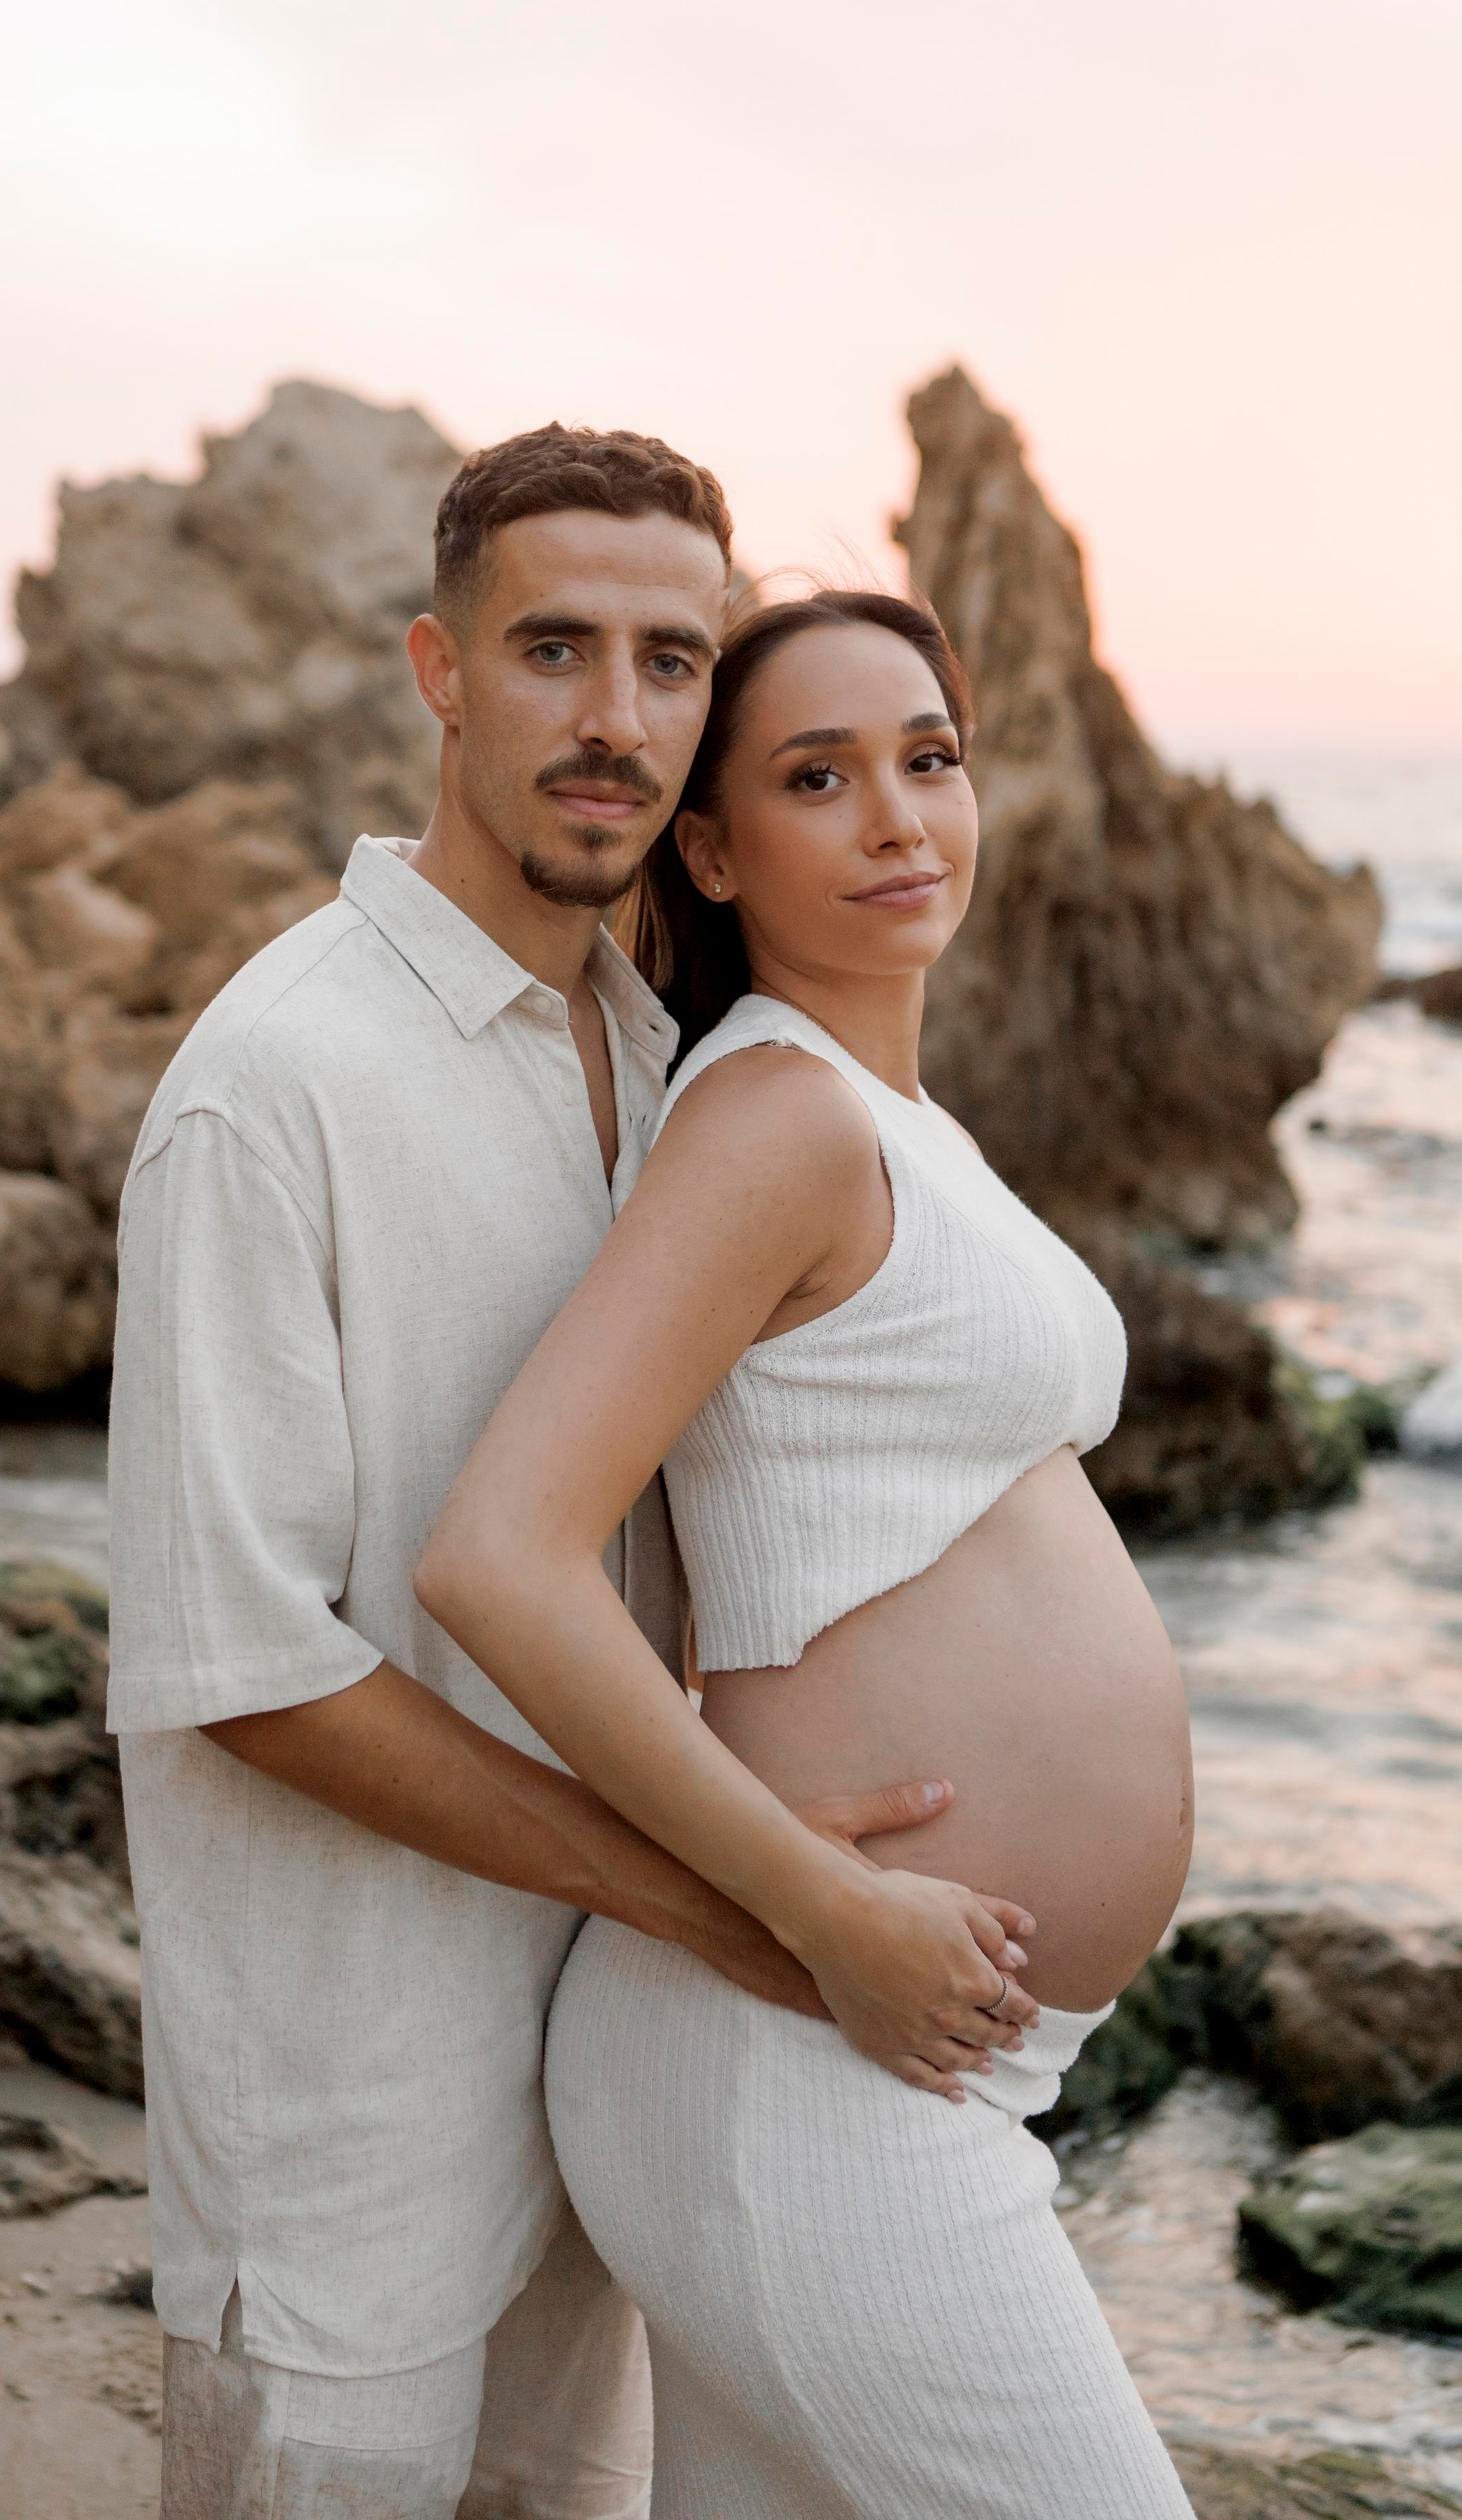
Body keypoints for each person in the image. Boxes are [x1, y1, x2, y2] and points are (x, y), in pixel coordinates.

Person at [108, 442, 1043, 2520]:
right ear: (443, 669)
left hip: (613, 2099)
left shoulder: (672, 1051)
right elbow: (246, 1672)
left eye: (672, 660)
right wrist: (735, 1895)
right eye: (555, 650)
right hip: (353, 2121)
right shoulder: (276, 1089)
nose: (616, 717)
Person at [415, 588, 1198, 2519]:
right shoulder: (775, 1114)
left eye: (928, 760)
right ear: (711, 843)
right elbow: (499, 1557)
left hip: (866, 2067)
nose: (896, 820)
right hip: (808, 2054)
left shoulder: (881, 1119)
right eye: (818, 779)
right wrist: (826, 1907)